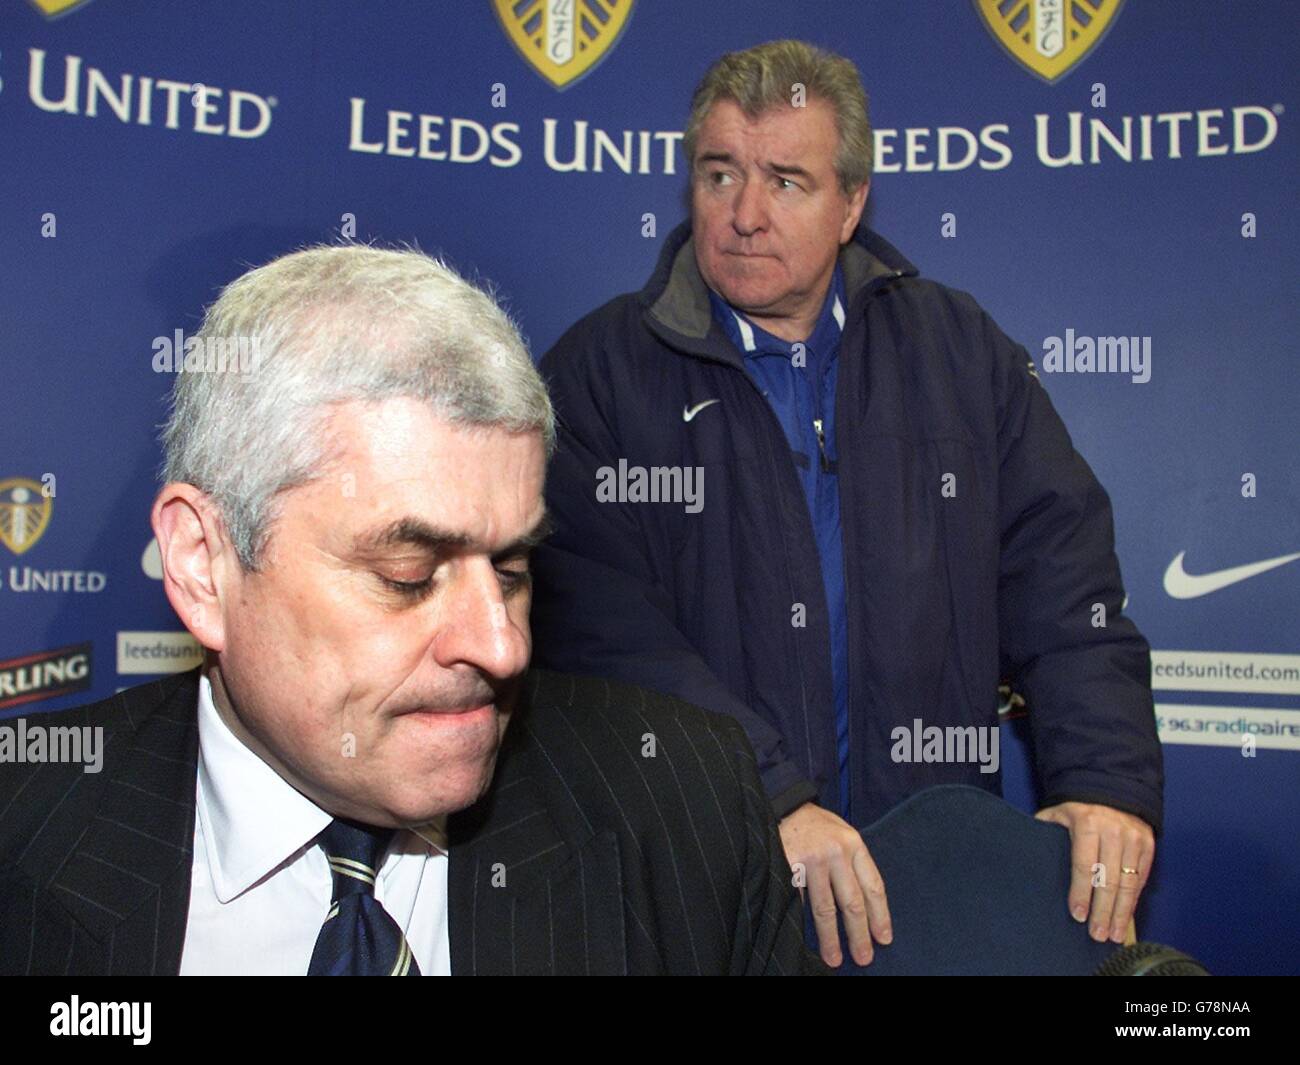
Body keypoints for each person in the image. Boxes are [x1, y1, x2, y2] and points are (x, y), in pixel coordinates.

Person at [0, 245, 815, 976]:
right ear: (203, 566)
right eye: (407, 573)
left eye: (512, 564)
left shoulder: (683, 806)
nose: (500, 646)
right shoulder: (25, 836)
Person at [530, 39, 1163, 970]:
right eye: (719, 174)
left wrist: (1106, 780)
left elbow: (1065, 578)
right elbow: (605, 634)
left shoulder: (960, 352)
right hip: (701, 889)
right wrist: (767, 796)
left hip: (925, 897)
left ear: (852, 203)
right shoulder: (598, 377)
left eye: (786, 180)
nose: (744, 214)